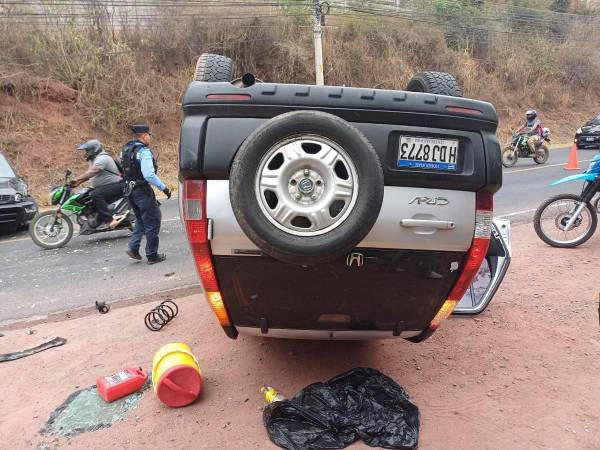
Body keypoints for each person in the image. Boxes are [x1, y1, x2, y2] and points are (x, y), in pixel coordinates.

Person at [121, 123, 171, 265]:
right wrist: (164, 188)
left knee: (141, 220)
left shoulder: (126, 149)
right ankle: (152, 255)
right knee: (153, 221)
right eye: (149, 135)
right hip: (142, 191)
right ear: (144, 135)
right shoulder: (143, 151)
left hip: (130, 191)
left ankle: (133, 248)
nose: (150, 138)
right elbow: (149, 174)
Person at [71, 139, 125, 229]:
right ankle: (97, 221)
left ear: (95, 150)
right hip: (108, 187)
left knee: (95, 194)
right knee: (87, 195)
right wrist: (76, 183)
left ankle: (110, 220)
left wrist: (76, 179)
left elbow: (94, 171)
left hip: (117, 185)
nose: (86, 153)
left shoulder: (102, 158)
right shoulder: (94, 160)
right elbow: (88, 176)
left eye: (87, 151)